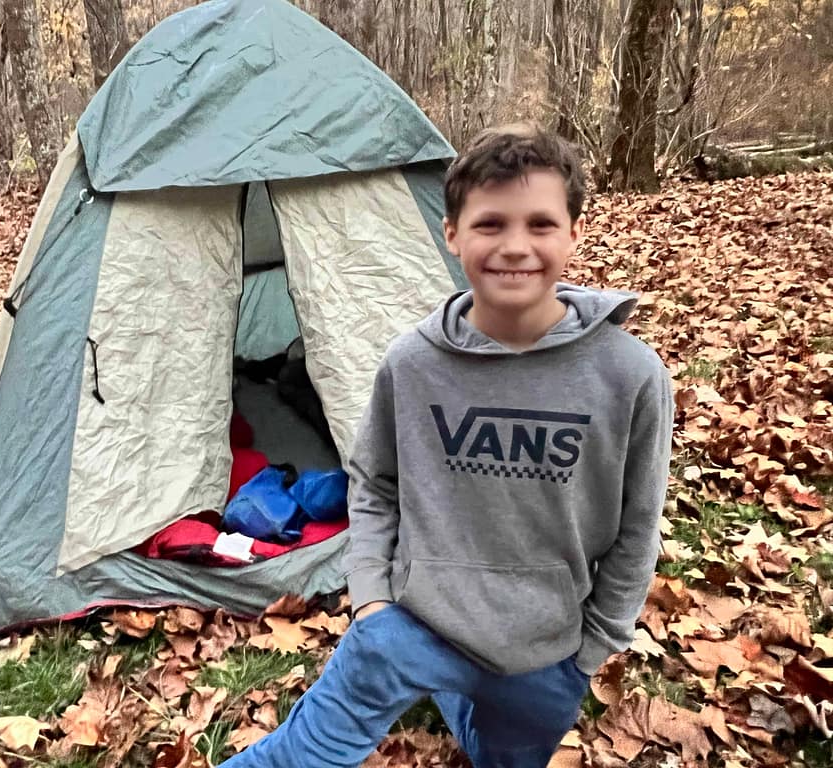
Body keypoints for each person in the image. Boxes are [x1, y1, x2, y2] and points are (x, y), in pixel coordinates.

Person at [219, 124, 674, 768]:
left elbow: (638, 526)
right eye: (490, 225)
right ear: (452, 234)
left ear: (574, 233)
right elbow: (373, 482)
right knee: (297, 754)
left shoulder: (631, 376)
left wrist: (594, 648)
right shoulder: (411, 363)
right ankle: (441, 679)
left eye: (540, 224)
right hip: (410, 626)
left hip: (545, 653)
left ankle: (464, 701)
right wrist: (372, 599)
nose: (515, 247)